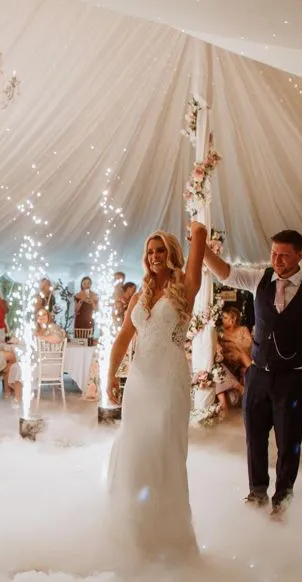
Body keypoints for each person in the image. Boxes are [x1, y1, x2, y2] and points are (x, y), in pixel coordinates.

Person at [203, 229, 302, 518]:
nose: (277, 260)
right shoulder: (259, 279)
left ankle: (283, 498)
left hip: (293, 377)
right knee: (254, 436)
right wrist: (203, 250)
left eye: (284, 255)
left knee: (289, 440)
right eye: (274, 253)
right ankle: (257, 491)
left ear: (300, 255)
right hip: (259, 375)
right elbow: (226, 274)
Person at [104, 220, 206, 563]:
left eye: (160, 250)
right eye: (150, 251)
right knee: (135, 448)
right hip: (139, 381)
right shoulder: (140, 293)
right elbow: (122, 339)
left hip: (168, 380)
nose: (154, 256)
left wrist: (199, 228)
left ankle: (170, 537)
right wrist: (110, 376)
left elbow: (199, 246)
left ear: (172, 253)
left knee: (164, 451)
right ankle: (136, 531)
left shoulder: (184, 287)